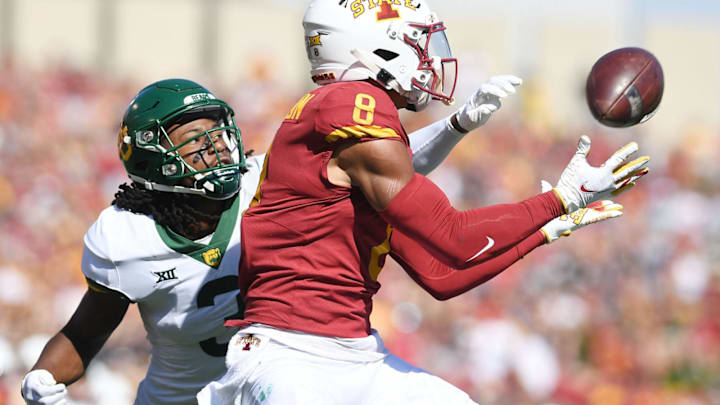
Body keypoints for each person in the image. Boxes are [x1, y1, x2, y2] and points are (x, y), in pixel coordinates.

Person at [197, 1, 650, 404]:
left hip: (353, 354)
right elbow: (451, 237)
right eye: (416, 43)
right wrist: (559, 200)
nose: (429, 58)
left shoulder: (356, 137)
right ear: (374, 48)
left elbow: (442, 275)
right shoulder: (352, 103)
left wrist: (543, 231)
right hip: (289, 354)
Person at [20, 66, 528, 404]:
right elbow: (85, 334)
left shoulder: (262, 182)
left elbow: (382, 168)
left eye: (217, 132)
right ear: (154, 159)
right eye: (194, 142)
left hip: (286, 376)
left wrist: (456, 126)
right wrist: (42, 378)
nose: (217, 149)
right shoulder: (125, 238)